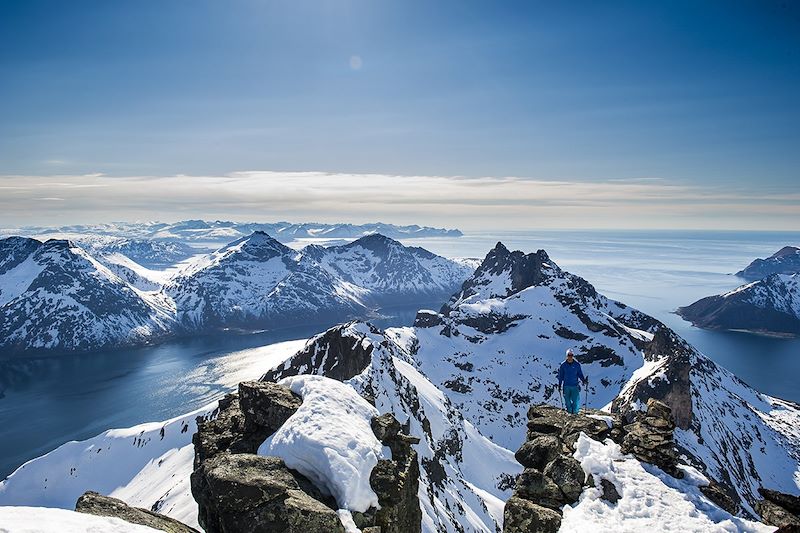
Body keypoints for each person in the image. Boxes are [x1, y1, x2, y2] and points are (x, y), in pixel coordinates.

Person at [558, 348, 588, 414]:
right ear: (567, 356)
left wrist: (583, 380)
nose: (570, 357)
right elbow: (561, 376)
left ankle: (575, 413)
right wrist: (559, 385)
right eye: (569, 355)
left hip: (574, 385)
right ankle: (569, 413)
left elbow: (580, 374)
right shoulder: (563, 365)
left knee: (575, 401)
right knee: (567, 401)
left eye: (571, 355)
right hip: (566, 386)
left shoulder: (577, 365)